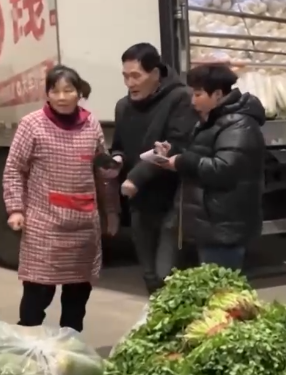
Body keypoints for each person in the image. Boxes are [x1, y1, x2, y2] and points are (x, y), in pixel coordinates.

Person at [3, 65, 119, 333]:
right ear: (47, 94)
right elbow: (14, 169)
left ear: (79, 93)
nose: (62, 97)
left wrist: (111, 211)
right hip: (44, 226)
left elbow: (102, 172)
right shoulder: (32, 124)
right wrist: (15, 209)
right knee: (37, 296)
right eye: (55, 91)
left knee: (77, 298)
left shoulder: (91, 124)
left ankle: (69, 346)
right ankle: (28, 344)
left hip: (83, 227)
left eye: (68, 90)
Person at [154, 64, 265, 270]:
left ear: (218, 94)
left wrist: (182, 161)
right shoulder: (213, 120)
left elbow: (223, 169)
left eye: (198, 94)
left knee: (221, 285)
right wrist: (172, 153)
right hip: (209, 224)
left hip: (223, 226)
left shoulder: (238, 125)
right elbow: (202, 153)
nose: (192, 101)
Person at [111, 43, 196, 295]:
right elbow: (119, 146)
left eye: (136, 76)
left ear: (156, 73)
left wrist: (136, 177)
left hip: (172, 199)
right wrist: (116, 161)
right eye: (125, 76)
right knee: (148, 274)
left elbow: (176, 144)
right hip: (140, 201)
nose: (130, 83)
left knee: (166, 273)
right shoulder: (123, 106)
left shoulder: (180, 98)